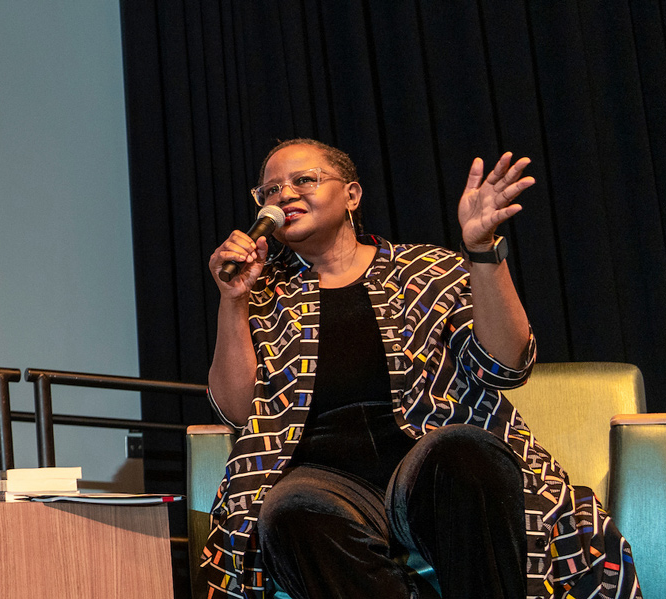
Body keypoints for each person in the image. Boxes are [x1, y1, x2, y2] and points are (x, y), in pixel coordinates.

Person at [199, 139, 641, 598]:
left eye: (303, 180)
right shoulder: (262, 294)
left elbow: (506, 367)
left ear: (352, 194)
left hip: (427, 470)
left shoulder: (425, 270)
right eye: (270, 190)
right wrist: (233, 300)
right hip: (324, 481)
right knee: (289, 511)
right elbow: (239, 411)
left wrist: (482, 252)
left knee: (465, 453)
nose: (285, 195)